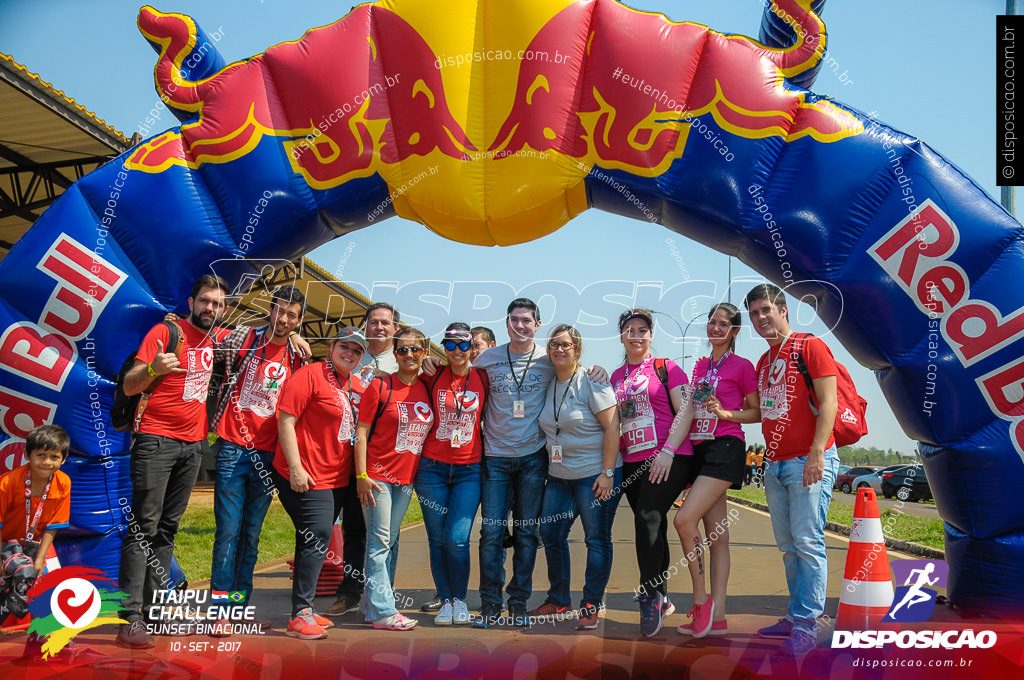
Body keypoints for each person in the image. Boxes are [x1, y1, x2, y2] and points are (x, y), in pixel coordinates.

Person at [466, 299, 607, 628]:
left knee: (528, 534)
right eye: (514, 319)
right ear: (506, 323)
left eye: (526, 320)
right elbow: (459, 376)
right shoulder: (488, 358)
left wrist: (597, 369)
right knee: (491, 533)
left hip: (533, 459)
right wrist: (432, 363)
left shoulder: (549, 357)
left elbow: (575, 369)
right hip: (495, 460)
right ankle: (490, 606)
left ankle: (517, 604)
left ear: (537, 325)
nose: (520, 325)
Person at [117, 275, 230, 649]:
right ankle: (129, 618)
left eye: (216, 303)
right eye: (204, 301)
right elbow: (131, 385)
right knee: (143, 528)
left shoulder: (215, 340)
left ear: (222, 309)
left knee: (167, 530)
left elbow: (263, 336)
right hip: (155, 440)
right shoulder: (165, 333)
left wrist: (294, 338)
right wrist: (153, 370)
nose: (209, 308)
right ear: (191, 300)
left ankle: (155, 612)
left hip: (193, 446)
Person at [742, 283, 840, 656]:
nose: (761, 318)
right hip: (776, 463)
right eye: (754, 313)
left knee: (808, 542)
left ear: (783, 310)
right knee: (788, 546)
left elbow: (829, 401)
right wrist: (726, 413)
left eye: (766, 309)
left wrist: (817, 452)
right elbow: (763, 412)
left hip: (808, 461)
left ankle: (809, 622)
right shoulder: (764, 362)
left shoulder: (809, 346)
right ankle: (795, 614)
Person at [273, 326, 368, 640]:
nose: (350, 354)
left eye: (357, 350)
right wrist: (297, 468)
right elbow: (286, 419)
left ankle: (306, 607)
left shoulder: (353, 383)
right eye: (345, 346)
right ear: (332, 346)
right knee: (317, 536)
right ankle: (299, 615)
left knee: (312, 539)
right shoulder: (310, 374)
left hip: (338, 477)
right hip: (308, 475)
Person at [672, 303, 758, 638]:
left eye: (724, 324)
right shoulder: (701, 367)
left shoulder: (742, 366)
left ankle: (701, 601)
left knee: (683, 519)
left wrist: (726, 414)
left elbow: (757, 413)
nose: (716, 328)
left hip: (726, 447)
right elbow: (691, 411)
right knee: (718, 537)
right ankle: (718, 616)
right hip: (700, 448)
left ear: (735, 331)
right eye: (712, 322)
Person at [611, 308, 695, 637]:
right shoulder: (617, 377)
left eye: (642, 330)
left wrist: (668, 451)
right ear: (621, 336)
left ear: (651, 335)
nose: (636, 335)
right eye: (629, 330)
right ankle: (664, 596)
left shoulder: (668, 368)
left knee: (646, 516)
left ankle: (649, 596)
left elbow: (686, 411)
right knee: (654, 525)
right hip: (633, 460)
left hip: (671, 456)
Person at [532, 325, 621, 630]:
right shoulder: (547, 380)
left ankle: (591, 604)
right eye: (554, 344)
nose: (559, 349)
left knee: (596, 538)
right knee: (552, 534)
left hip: (594, 475)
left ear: (577, 350)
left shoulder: (590, 381)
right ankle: (558, 599)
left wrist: (608, 473)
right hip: (559, 475)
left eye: (566, 345)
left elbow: (613, 427)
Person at [325, 302, 405, 617]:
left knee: (386, 532)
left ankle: (384, 595)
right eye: (373, 322)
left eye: (386, 323)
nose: (379, 328)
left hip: (384, 456)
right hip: (344, 450)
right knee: (354, 527)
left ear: (396, 329)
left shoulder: (402, 360)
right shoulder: (352, 354)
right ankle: (350, 592)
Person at [355, 326, 434, 630]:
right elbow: (360, 432)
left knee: (389, 541)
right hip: (376, 477)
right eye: (403, 349)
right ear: (395, 353)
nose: (409, 355)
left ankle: (374, 607)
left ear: (424, 352)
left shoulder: (427, 386)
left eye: (416, 349)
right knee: (379, 542)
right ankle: (385, 610)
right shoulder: (380, 385)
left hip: (405, 480)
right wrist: (361, 474)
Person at [414, 323, 488, 625]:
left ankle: (460, 599)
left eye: (462, 345)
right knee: (436, 539)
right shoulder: (431, 376)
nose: (456, 351)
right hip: (432, 468)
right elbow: (400, 387)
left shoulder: (483, 376)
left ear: (472, 348)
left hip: (469, 470)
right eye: (450, 345)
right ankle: (445, 600)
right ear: (443, 347)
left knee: (457, 539)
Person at [0, 425, 71, 573]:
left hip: (32, 548)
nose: (47, 462)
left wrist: (39, 559)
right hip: (3, 544)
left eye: (54, 457)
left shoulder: (63, 483)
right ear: (27, 455)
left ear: (64, 459)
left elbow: (53, 526)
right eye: (40, 455)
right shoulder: (8, 482)